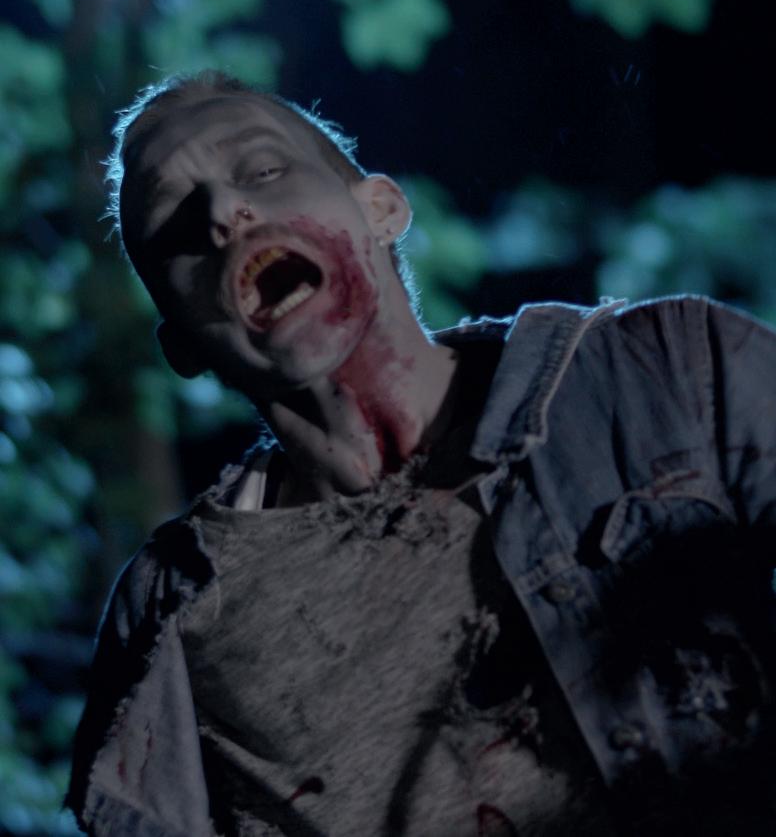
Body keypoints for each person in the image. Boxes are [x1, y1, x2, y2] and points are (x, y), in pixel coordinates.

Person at [68, 70, 776, 836]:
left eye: (264, 170)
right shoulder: (170, 614)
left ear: (380, 208)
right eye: (175, 223)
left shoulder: (667, 369)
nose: (221, 212)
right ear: (183, 345)